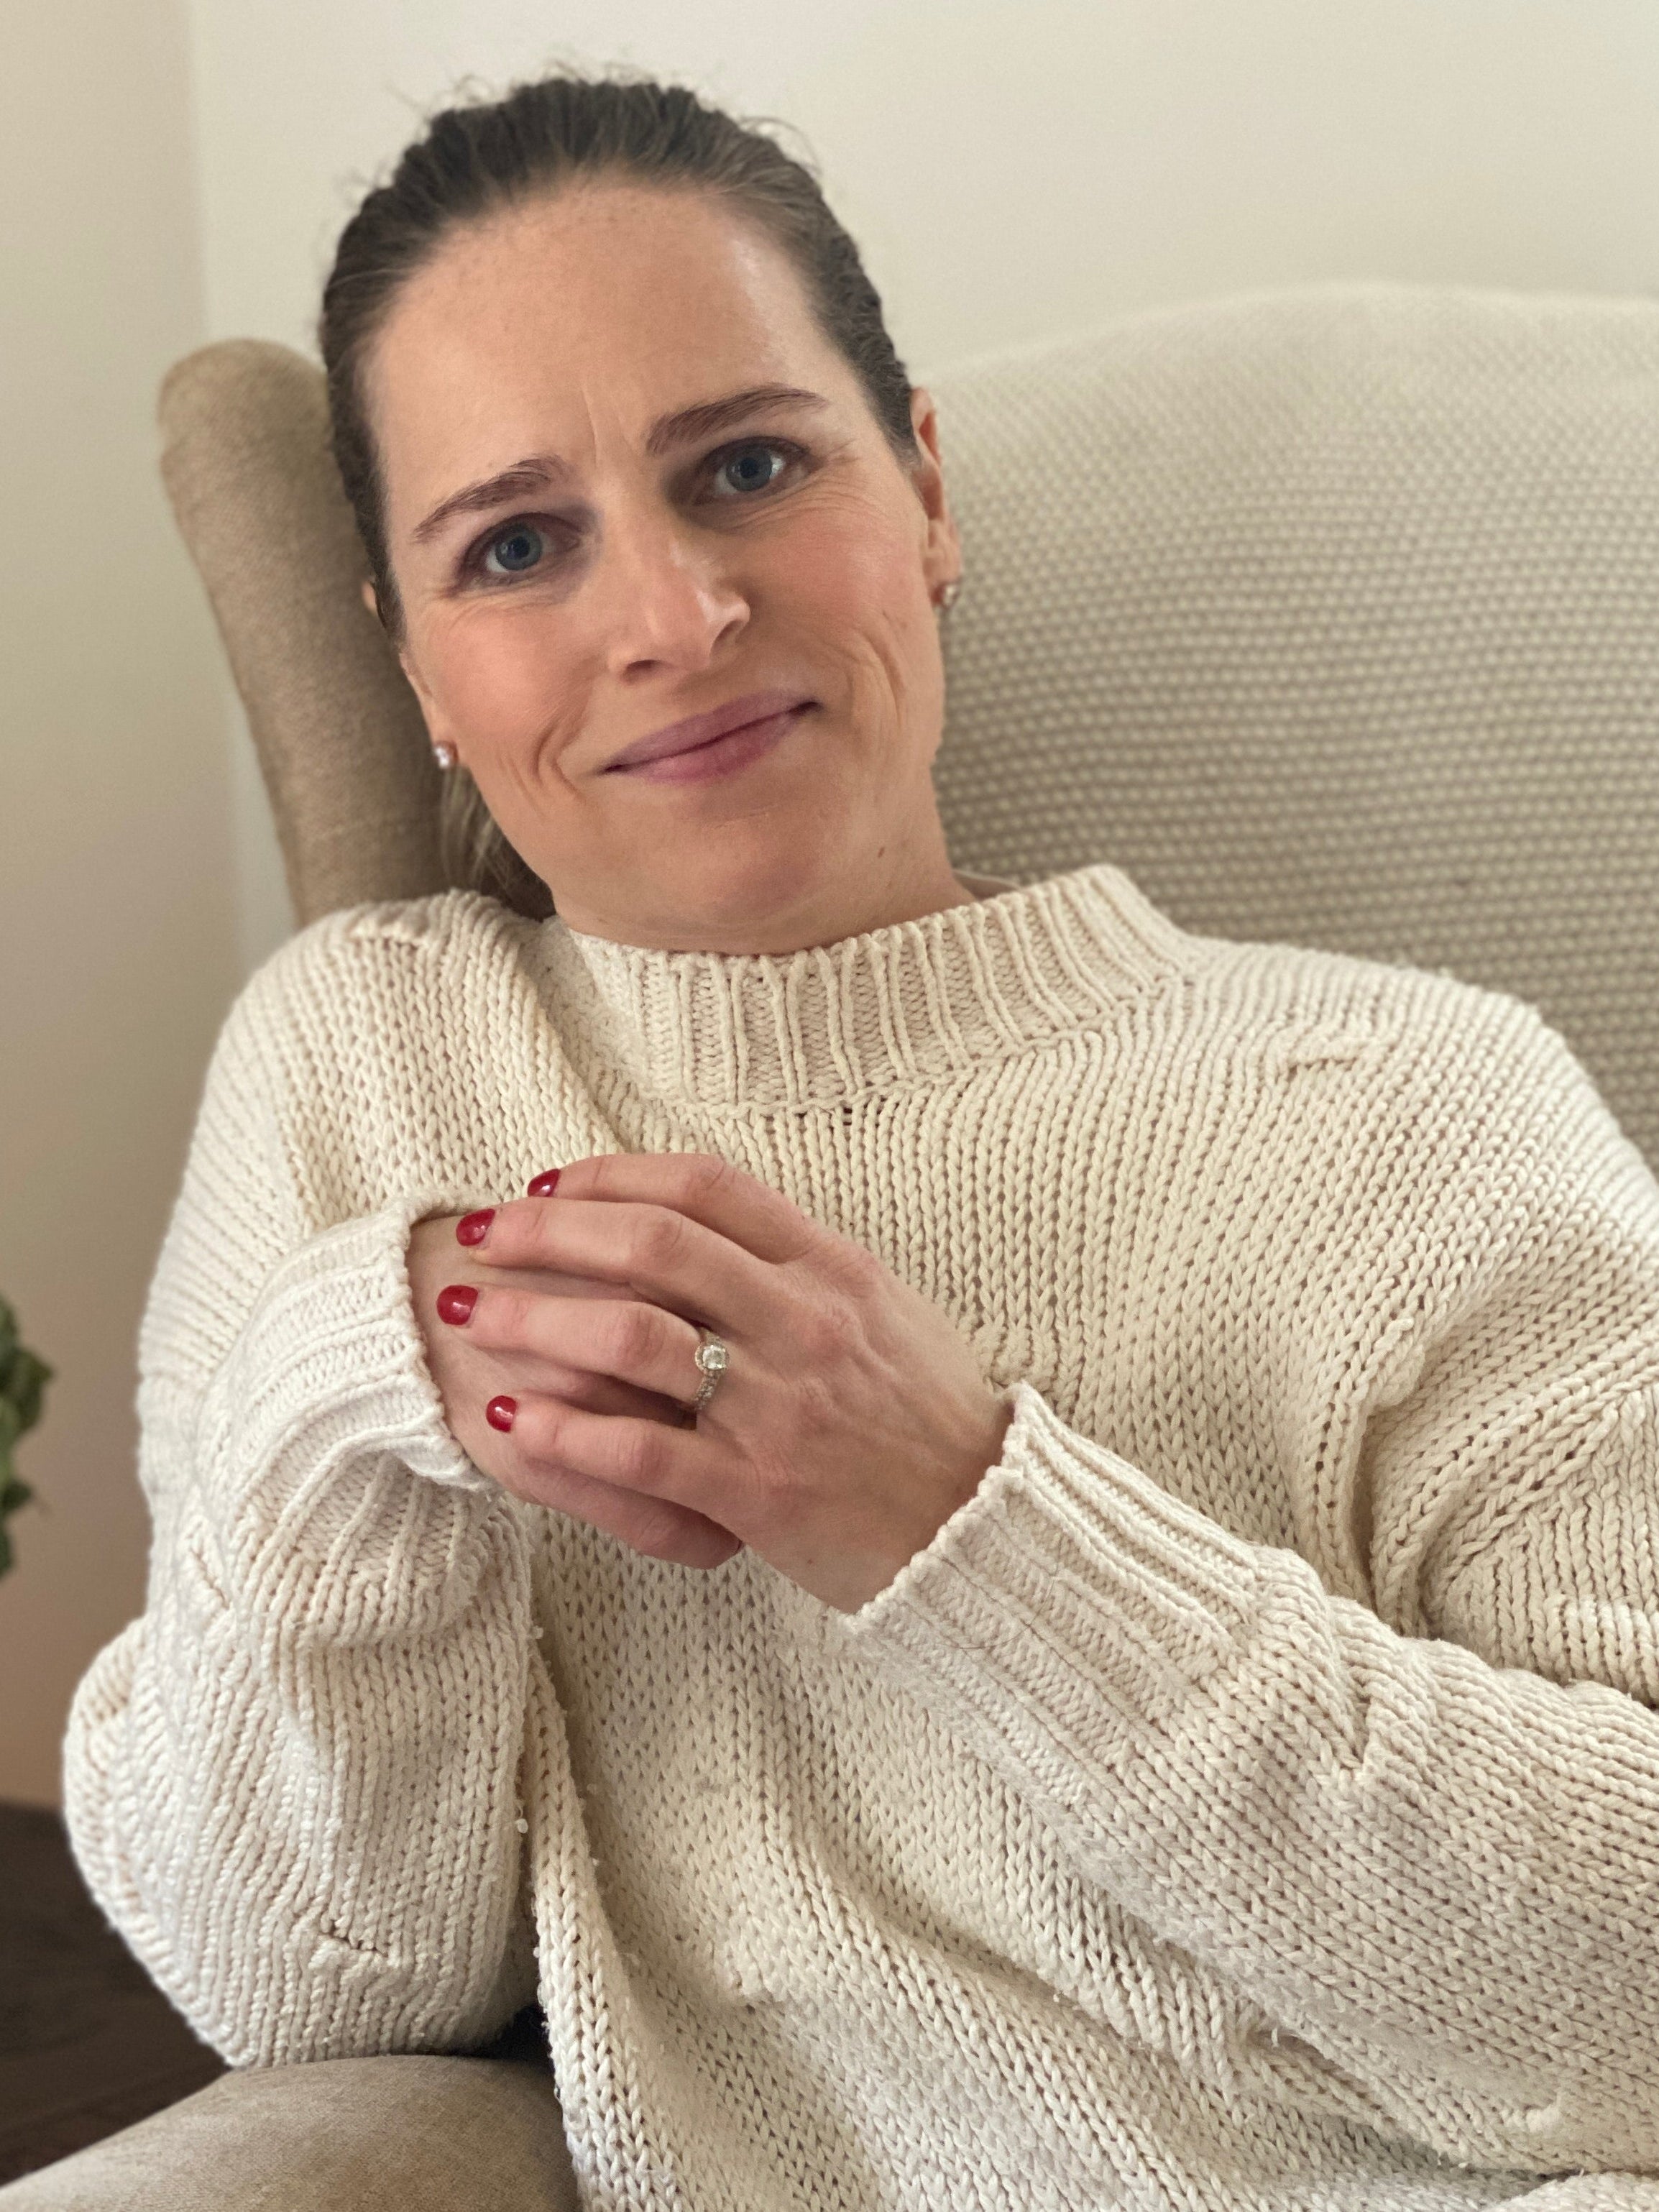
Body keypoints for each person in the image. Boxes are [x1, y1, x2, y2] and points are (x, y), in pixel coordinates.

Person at [14, 68, 1659, 2212]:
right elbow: (297, 1993)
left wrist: (969, 1519)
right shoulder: (368, 1068)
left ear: (925, 491)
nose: (670, 617)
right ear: (408, 661)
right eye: (515, 545)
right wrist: (354, 1407)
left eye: (749, 467)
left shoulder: (1417, 1105)